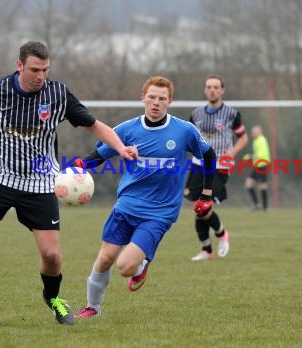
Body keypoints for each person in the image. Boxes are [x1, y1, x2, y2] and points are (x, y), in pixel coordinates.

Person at [0, 41, 137, 330]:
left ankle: (53, 298)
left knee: (51, 255)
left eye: (45, 69)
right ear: (19, 66)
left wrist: (120, 147)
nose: (40, 76)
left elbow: (95, 125)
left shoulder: (58, 94)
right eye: (34, 69)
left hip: (40, 182)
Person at [74, 76, 216, 318]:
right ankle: (93, 308)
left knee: (125, 267)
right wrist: (78, 166)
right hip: (126, 205)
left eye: (162, 99)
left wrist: (206, 195)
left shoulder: (184, 131)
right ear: (143, 98)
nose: (156, 103)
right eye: (151, 97)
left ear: (170, 101)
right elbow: (100, 154)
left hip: (159, 212)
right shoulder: (127, 130)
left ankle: (141, 263)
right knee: (106, 257)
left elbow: (209, 156)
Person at [184, 74, 248, 261]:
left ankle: (221, 235)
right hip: (198, 165)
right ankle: (206, 250)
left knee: (205, 206)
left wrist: (232, 152)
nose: (212, 90)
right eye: (209, 87)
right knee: (199, 208)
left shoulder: (232, 114)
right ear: (205, 90)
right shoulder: (196, 114)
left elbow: (243, 137)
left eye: (216, 87)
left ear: (222, 90)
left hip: (220, 165)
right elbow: (189, 138)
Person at [244, 125, 271, 211]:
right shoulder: (256, 141)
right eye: (252, 132)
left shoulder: (261, 140)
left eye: (254, 132)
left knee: (262, 185)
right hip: (257, 166)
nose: (252, 134)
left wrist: (250, 156)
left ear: (259, 132)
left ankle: (265, 208)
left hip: (263, 165)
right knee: (248, 184)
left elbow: (261, 155)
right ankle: (257, 205)